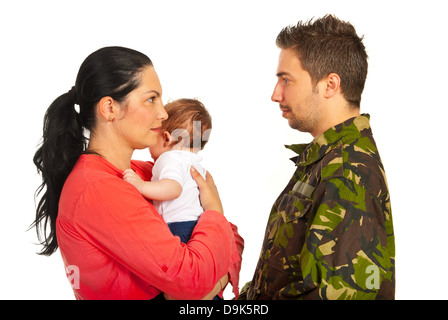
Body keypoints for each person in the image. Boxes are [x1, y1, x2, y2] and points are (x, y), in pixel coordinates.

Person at [32, 46, 244, 300]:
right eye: (151, 99)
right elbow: (192, 278)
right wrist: (214, 213)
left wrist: (214, 270)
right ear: (110, 109)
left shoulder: (143, 172)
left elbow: (233, 236)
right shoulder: (99, 188)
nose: (163, 113)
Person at [239, 15, 395, 300]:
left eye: (286, 80)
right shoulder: (327, 160)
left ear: (330, 85)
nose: (276, 95)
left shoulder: (348, 170)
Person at [123, 98, 238, 298]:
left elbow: (173, 188)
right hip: (198, 227)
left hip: (180, 228)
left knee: (179, 286)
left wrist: (141, 186)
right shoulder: (194, 162)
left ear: (167, 138)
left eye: (154, 133)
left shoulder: (170, 158)